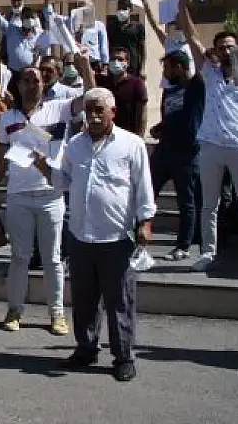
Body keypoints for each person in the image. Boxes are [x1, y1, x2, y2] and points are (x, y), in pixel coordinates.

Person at [36, 87, 155, 382]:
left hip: (116, 237)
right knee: (85, 298)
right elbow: (62, 181)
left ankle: (123, 356)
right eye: (89, 110)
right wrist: (43, 168)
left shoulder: (131, 144)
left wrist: (146, 222)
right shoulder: (75, 144)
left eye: (100, 110)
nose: (94, 116)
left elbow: (143, 187)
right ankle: (86, 348)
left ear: (112, 112)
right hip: (81, 236)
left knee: (120, 301)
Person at [0, 53, 93, 336]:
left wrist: (84, 67)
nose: (32, 83)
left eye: (37, 78)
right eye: (26, 79)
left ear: (45, 83)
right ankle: (14, 310)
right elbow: (0, 157)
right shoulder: (7, 119)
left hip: (51, 194)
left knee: (53, 258)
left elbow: (89, 97)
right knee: (20, 257)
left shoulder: (59, 109)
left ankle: (57, 314)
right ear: (18, 85)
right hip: (18, 196)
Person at [176, 0, 238, 272]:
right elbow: (191, 36)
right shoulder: (209, 71)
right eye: (222, 47)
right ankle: (208, 252)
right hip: (211, 145)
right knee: (209, 204)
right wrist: (182, 8)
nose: (227, 51)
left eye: (231, 47)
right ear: (215, 51)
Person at [149, 50, 205, 260]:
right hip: (164, 151)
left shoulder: (196, 86)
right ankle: (139, 237)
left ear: (179, 67)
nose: (164, 72)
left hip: (187, 155)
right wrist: (160, 127)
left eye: (167, 67)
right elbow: (171, 117)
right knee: (147, 194)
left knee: (186, 202)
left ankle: (183, 246)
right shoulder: (170, 92)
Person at [97, 48, 148, 137]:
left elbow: (142, 112)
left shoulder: (137, 83)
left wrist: (140, 136)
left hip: (128, 135)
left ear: (127, 63)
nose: (116, 62)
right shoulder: (103, 82)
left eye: (120, 59)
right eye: (113, 59)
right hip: (105, 135)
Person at [108, 0, 146, 77]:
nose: (121, 11)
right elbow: (108, 47)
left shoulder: (138, 27)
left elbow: (142, 48)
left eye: (124, 8)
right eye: (119, 8)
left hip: (133, 67)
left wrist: (142, 68)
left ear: (130, 10)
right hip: (116, 66)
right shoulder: (111, 27)